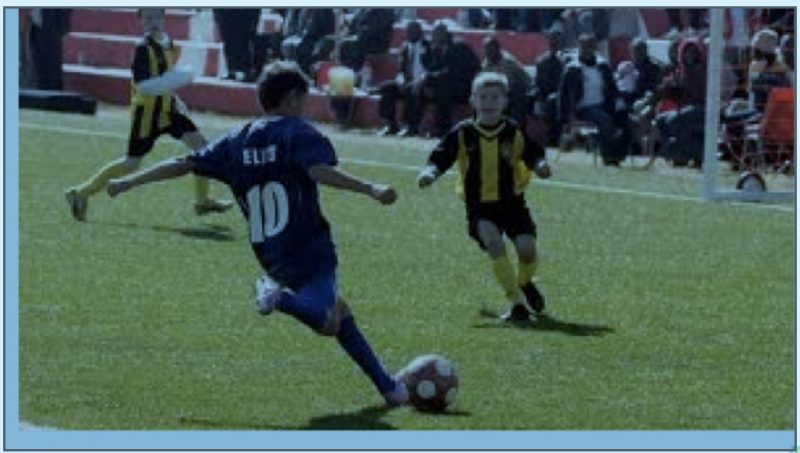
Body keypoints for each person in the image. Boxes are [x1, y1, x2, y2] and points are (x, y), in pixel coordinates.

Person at [106, 60, 409, 407]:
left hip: (270, 253)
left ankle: (390, 389)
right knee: (327, 320)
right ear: (293, 98)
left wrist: (130, 181)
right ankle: (280, 299)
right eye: (305, 99)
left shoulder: (236, 140)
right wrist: (370, 188)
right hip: (309, 246)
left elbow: (184, 164)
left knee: (340, 311)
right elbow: (319, 170)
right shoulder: (299, 132)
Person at [64, 8, 232, 221]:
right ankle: (79, 193)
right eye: (147, 18)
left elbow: (165, 78)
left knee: (202, 150)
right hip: (147, 113)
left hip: (169, 109)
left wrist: (177, 99)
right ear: (141, 22)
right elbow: (145, 86)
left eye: (156, 17)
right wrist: (180, 79)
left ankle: (202, 201)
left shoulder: (168, 43)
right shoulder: (142, 49)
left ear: (164, 19)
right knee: (131, 164)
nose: (152, 22)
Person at [417, 72, 552, 323]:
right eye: (483, 96)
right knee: (494, 244)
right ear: (473, 100)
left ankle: (524, 283)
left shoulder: (513, 131)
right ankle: (516, 304)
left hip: (512, 204)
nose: (488, 102)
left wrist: (540, 164)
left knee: (527, 249)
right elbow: (442, 156)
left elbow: (532, 152)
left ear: (505, 102)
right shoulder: (463, 133)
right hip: (479, 206)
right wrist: (430, 172)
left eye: (495, 97)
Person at [375, 20, 432, 136]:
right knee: (387, 88)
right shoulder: (405, 47)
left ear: (420, 32)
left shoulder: (428, 46)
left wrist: (421, 79)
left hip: (423, 83)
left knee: (413, 90)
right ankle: (391, 124)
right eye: (408, 32)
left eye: (412, 31)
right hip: (407, 82)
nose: (409, 34)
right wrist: (400, 81)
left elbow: (432, 68)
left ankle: (410, 126)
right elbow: (401, 70)